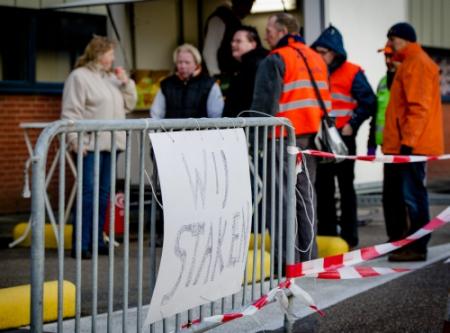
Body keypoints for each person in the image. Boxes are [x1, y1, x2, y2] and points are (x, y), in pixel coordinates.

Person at [251, 13, 332, 262]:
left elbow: (263, 106)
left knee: (280, 201)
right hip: (310, 139)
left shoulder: (276, 59)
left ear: (283, 30)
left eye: (269, 29)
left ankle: (286, 262)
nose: (266, 35)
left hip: (281, 138)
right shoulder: (315, 57)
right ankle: (308, 259)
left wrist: (253, 141)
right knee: (305, 199)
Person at [61, 35, 137, 259]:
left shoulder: (111, 78)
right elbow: (70, 111)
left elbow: (130, 103)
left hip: (111, 143)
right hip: (90, 144)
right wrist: (74, 139)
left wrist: (126, 82)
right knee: (88, 194)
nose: (113, 58)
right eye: (111, 53)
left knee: (103, 195)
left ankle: (96, 241)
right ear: (100, 54)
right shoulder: (79, 77)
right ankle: (81, 244)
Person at [382, 22, 444, 261]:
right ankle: (411, 243)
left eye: (393, 40)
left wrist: (408, 143)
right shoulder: (410, 62)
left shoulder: (416, 64)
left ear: (405, 40)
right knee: (410, 195)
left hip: (412, 146)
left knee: (413, 196)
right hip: (408, 144)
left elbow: (418, 109)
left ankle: (417, 247)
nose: (390, 45)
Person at [311, 25, 376, 248]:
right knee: (324, 188)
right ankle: (328, 235)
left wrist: (353, 124)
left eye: (323, 52)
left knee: (346, 188)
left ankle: (349, 237)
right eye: (317, 51)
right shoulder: (314, 71)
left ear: (335, 52)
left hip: (343, 138)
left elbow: (369, 102)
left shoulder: (352, 71)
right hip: (321, 139)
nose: (319, 55)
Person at [150, 44, 224, 119]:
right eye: (179, 62)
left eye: (187, 62)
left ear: (196, 64)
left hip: (200, 131)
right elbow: (156, 114)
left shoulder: (210, 84)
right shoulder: (166, 84)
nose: (183, 66)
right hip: (172, 131)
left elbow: (216, 116)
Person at [202, 0, 255, 93]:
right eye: (248, 6)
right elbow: (209, 52)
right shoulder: (219, 19)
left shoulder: (234, 20)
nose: (249, 12)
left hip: (232, 78)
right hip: (222, 79)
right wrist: (217, 79)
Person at [223, 25, 268, 117]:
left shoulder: (258, 65)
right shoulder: (243, 65)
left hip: (250, 126)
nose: (233, 44)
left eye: (238, 41)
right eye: (232, 41)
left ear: (253, 44)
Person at [367, 43, 397, 155]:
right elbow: (376, 115)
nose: (388, 61)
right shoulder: (383, 82)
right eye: (386, 56)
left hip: (403, 147)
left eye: (391, 56)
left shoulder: (408, 81)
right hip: (386, 146)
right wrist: (371, 144)